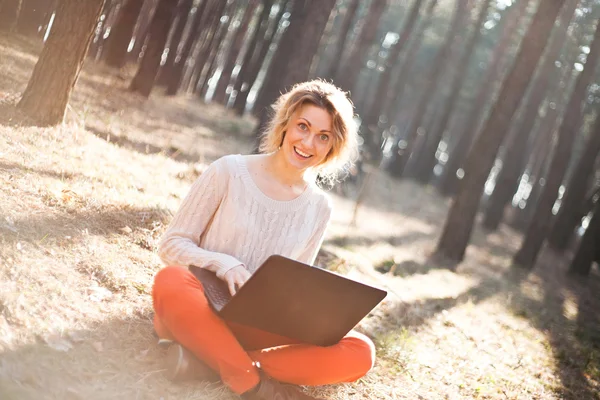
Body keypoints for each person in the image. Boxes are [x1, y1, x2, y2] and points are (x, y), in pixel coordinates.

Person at [151, 80, 376, 400]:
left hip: (255, 330)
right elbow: (171, 245)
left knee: (360, 351)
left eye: (323, 136)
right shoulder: (229, 171)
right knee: (171, 280)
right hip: (201, 309)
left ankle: (209, 363)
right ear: (285, 124)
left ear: (331, 147)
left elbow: (295, 284)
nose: (308, 142)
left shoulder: (319, 208)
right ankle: (253, 385)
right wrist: (222, 263)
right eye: (303, 126)